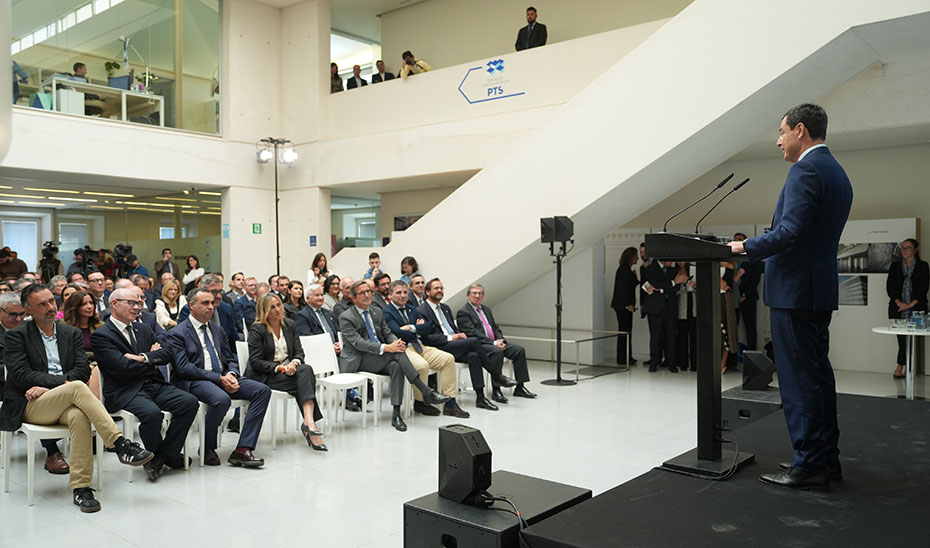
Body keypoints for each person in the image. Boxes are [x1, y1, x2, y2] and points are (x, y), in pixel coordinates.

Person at [728, 103, 852, 490]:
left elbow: (789, 233)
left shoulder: (805, 170)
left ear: (800, 130)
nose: (778, 141)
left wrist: (744, 247)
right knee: (817, 378)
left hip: (794, 292)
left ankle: (808, 464)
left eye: (781, 132)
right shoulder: (836, 171)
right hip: (815, 291)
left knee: (798, 382)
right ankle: (825, 459)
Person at [0, 284, 154, 512]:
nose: (50, 307)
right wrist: (59, 385)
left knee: (79, 416)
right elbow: (21, 374)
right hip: (30, 403)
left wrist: (51, 386)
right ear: (28, 310)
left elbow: (82, 369)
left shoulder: (69, 333)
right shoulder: (17, 336)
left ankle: (81, 489)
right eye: (41, 304)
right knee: (77, 388)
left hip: (63, 399)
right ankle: (120, 443)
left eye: (50, 301)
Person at [92, 288, 199, 481]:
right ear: (114, 303)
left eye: (139, 303)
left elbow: (167, 354)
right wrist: (151, 360)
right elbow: (120, 367)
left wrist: (142, 358)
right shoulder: (102, 335)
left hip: (153, 383)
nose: (137, 307)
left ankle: (162, 456)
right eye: (131, 303)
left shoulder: (143, 328)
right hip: (125, 389)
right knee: (152, 414)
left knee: (189, 402)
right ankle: (163, 457)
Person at [167, 287, 271, 467]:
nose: (210, 307)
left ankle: (242, 449)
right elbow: (183, 368)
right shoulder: (178, 332)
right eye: (205, 303)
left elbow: (230, 359)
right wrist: (218, 379)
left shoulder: (217, 330)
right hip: (195, 380)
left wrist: (231, 374)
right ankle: (207, 446)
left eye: (212, 303)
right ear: (191, 305)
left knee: (262, 391)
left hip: (222, 377)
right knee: (221, 399)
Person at [338, 281, 450, 432]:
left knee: (396, 365)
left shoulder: (376, 311)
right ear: (353, 297)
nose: (367, 295)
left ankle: (396, 415)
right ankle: (425, 391)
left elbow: (387, 332)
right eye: (362, 293)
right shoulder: (346, 317)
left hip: (380, 357)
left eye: (369, 291)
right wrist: (387, 347)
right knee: (396, 353)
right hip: (359, 359)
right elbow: (358, 343)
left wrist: (395, 342)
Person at [418, 278, 516, 410]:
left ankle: (480, 398)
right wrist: (452, 337)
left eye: (441, 288)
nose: (440, 290)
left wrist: (459, 335)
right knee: (474, 341)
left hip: (454, 344)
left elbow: (453, 328)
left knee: (474, 356)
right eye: (436, 288)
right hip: (439, 346)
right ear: (427, 292)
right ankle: (497, 376)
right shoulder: (421, 310)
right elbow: (427, 338)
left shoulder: (445, 308)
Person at [247, 293, 327, 451]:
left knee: (305, 369)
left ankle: (309, 421)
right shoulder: (257, 329)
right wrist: (280, 368)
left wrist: (293, 363)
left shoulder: (289, 325)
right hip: (266, 375)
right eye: (272, 307)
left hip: (288, 372)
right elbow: (256, 361)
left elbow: (299, 352)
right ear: (264, 311)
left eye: (279, 305)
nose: (278, 310)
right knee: (304, 382)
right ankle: (310, 426)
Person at [384, 280, 468, 418]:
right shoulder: (387, 311)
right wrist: (417, 329)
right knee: (422, 366)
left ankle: (451, 403)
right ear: (390, 294)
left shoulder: (411, 308)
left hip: (420, 346)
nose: (402, 295)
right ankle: (421, 402)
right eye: (398, 292)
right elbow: (397, 332)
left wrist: (411, 327)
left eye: (405, 292)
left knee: (448, 359)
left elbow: (427, 328)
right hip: (403, 348)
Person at [457, 284, 536, 399]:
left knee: (519, 350)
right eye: (474, 293)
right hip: (480, 345)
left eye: (480, 293)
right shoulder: (463, 312)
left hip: (495, 342)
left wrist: (500, 339)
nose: (477, 296)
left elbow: (495, 327)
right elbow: (472, 333)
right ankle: (496, 390)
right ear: (468, 295)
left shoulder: (486, 309)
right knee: (496, 352)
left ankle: (520, 387)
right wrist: (493, 343)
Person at [887, 238, 928, 379]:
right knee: (902, 339)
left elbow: (924, 287)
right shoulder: (895, 266)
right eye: (902, 248)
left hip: (917, 309)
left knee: (913, 339)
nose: (904, 251)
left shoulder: (923, 266)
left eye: (908, 247)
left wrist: (910, 305)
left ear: (915, 250)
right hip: (898, 308)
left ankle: (907, 367)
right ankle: (901, 366)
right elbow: (890, 287)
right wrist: (899, 303)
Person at [642, 260, 687, 372]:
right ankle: (654, 362)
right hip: (655, 308)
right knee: (655, 336)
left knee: (671, 336)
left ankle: (671, 363)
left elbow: (676, 288)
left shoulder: (673, 270)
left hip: (670, 308)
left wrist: (661, 289)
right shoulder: (650, 269)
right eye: (670, 260)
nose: (672, 262)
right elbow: (654, 284)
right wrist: (672, 282)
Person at [60, 290, 102, 396]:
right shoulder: (64, 328)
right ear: (75, 307)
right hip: (74, 367)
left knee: (95, 373)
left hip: (97, 366)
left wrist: (93, 365)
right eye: (84, 304)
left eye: (91, 303)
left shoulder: (101, 326)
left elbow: (104, 351)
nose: (89, 307)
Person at [735, 233, 764, 351]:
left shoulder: (754, 259)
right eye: (735, 240)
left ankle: (752, 353)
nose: (737, 242)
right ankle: (734, 355)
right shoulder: (731, 260)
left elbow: (755, 280)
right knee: (733, 326)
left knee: (750, 326)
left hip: (748, 297)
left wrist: (744, 294)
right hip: (733, 298)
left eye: (740, 240)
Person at [610, 247, 639, 365]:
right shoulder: (624, 270)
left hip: (623, 305)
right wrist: (628, 304)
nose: (638, 258)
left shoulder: (625, 270)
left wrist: (635, 278)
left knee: (626, 331)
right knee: (624, 332)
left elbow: (629, 285)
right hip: (623, 306)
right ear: (630, 257)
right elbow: (623, 289)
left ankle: (626, 357)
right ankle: (623, 358)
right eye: (636, 256)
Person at [674, 262, 697, 371]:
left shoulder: (694, 270)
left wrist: (694, 286)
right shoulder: (675, 272)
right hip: (682, 310)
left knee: (694, 338)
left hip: (694, 309)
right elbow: (673, 291)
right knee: (682, 338)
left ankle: (694, 364)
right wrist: (682, 285)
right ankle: (683, 363)